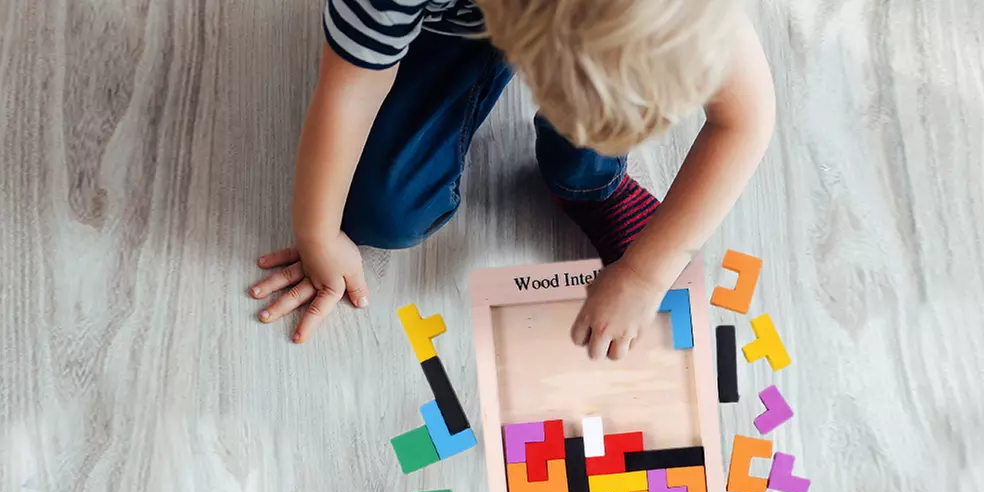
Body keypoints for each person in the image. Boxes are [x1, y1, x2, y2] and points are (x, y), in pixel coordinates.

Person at [249, 0, 775, 359]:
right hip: (444, 25)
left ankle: (588, 183)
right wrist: (316, 232)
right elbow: (350, 90)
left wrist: (646, 274)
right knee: (376, 215)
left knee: (591, 142)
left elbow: (746, 120)